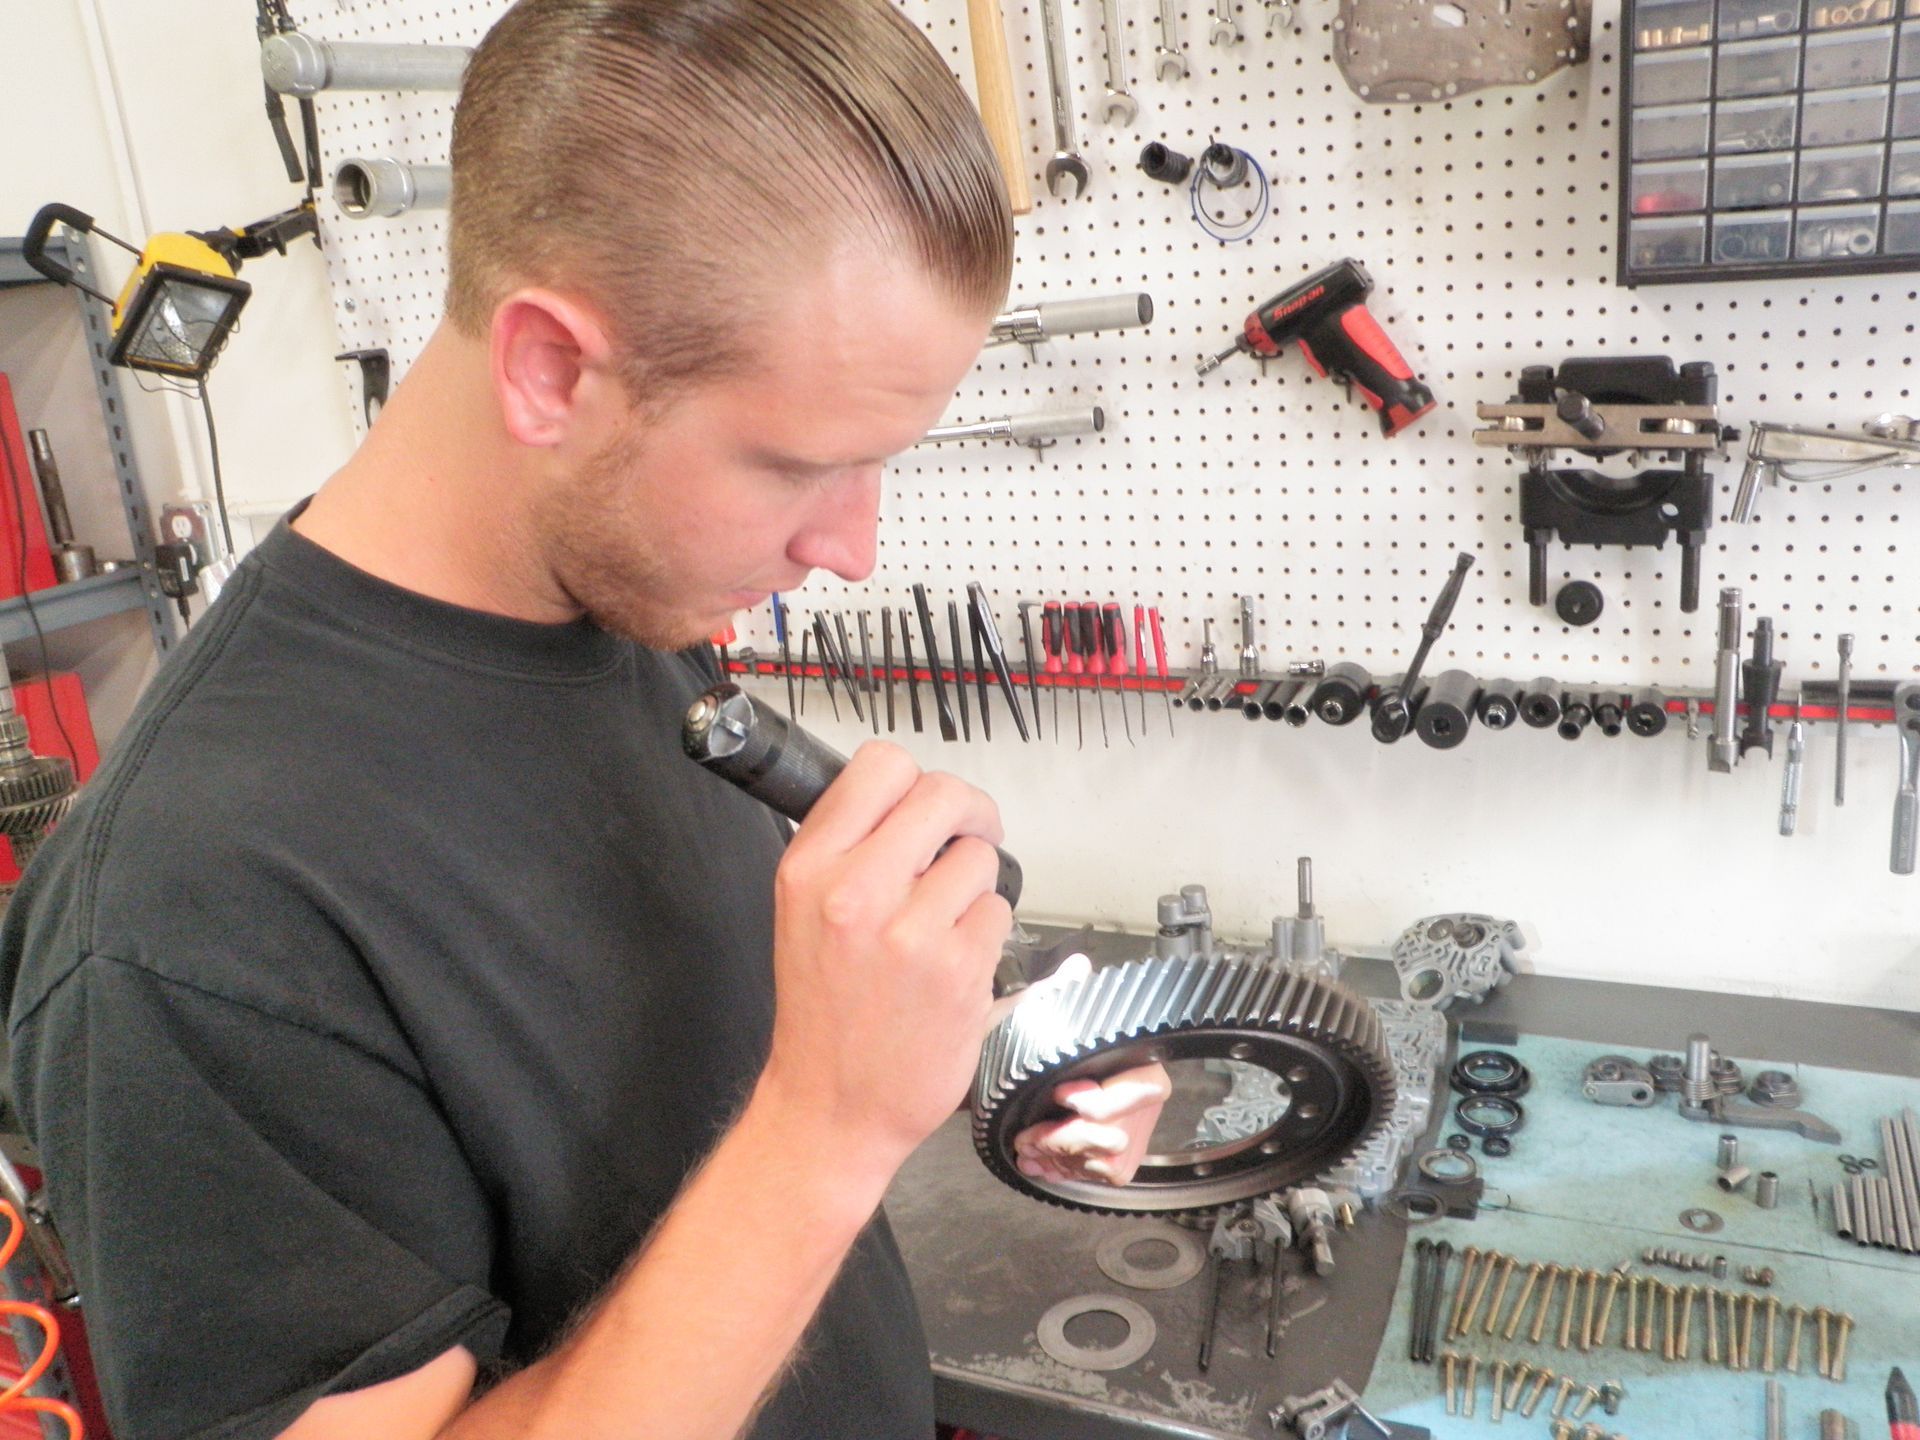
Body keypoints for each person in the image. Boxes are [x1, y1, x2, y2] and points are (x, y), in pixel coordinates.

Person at [0, 3, 1169, 1438]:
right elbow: (781, 1139)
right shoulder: (189, 919)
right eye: (804, 464)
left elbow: (656, 1127)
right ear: (552, 369)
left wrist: (990, 1046)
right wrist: (829, 1126)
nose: (853, 548)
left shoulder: (620, 618)